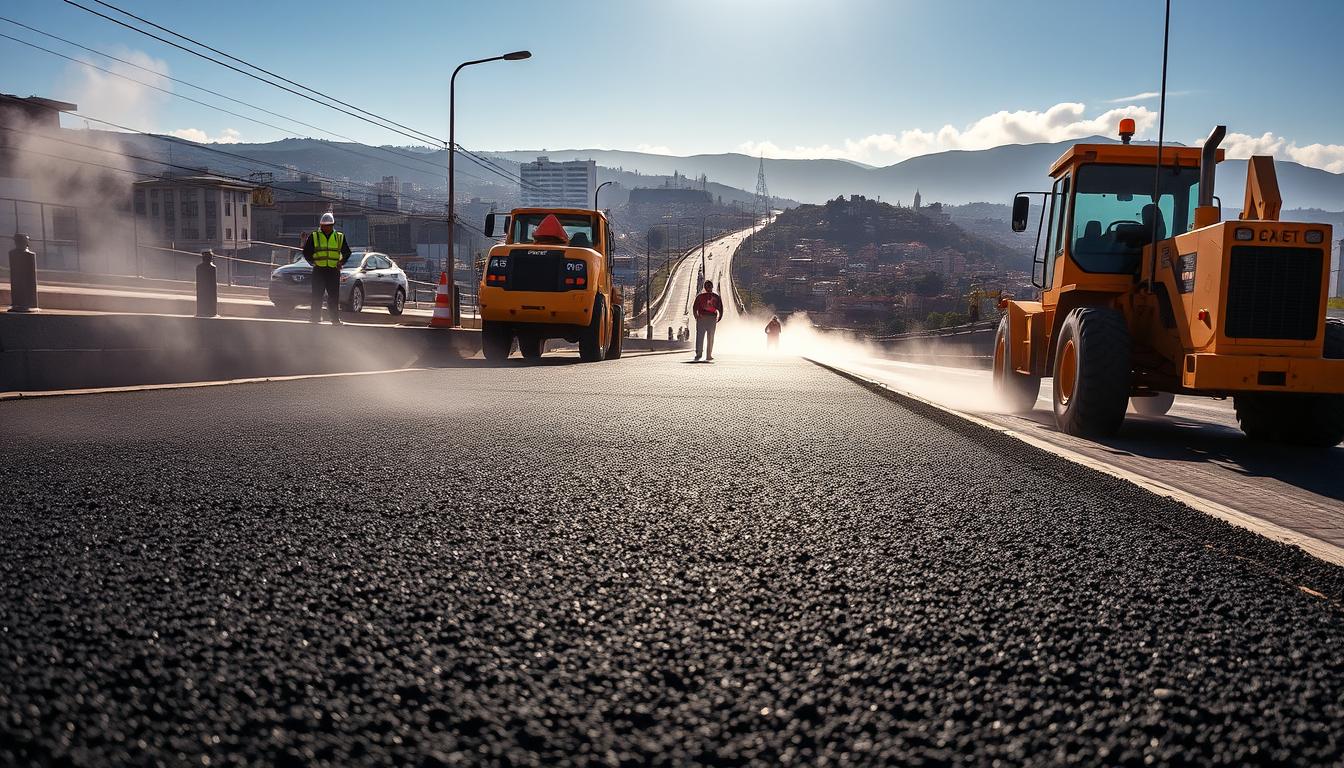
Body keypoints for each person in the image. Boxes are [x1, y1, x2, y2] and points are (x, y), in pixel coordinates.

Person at [302, 212, 351, 324]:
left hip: (333, 271)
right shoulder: (314, 236)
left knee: (334, 296)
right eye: (323, 226)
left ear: (332, 225)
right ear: (321, 225)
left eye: (328, 226)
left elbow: (347, 252)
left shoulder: (339, 237)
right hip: (319, 270)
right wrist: (312, 261)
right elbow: (306, 252)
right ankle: (315, 318)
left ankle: (335, 319)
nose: (325, 228)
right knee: (317, 295)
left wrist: (341, 262)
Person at [692, 279, 724, 361]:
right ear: (712, 287)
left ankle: (699, 354)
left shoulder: (699, 297)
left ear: (704, 287)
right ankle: (708, 355)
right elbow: (720, 308)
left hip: (702, 319)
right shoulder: (716, 297)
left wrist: (696, 317)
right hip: (711, 319)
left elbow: (694, 308)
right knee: (710, 337)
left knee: (700, 337)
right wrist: (719, 317)